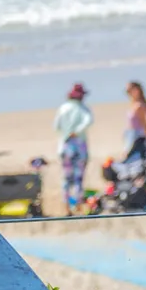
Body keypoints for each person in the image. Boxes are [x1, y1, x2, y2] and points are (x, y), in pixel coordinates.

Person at [52, 84, 92, 212]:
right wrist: (76, 131)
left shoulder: (63, 108)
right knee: (78, 177)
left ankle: (67, 205)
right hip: (79, 145)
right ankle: (78, 204)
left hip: (65, 144)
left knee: (66, 177)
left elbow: (56, 126)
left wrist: (66, 132)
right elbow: (88, 121)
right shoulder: (81, 108)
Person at [122, 81, 146, 152]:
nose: (128, 94)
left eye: (129, 91)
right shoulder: (133, 104)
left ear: (136, 90)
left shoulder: (139, 106)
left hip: (137, 135)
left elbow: (145, 124)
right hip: (131, 134)